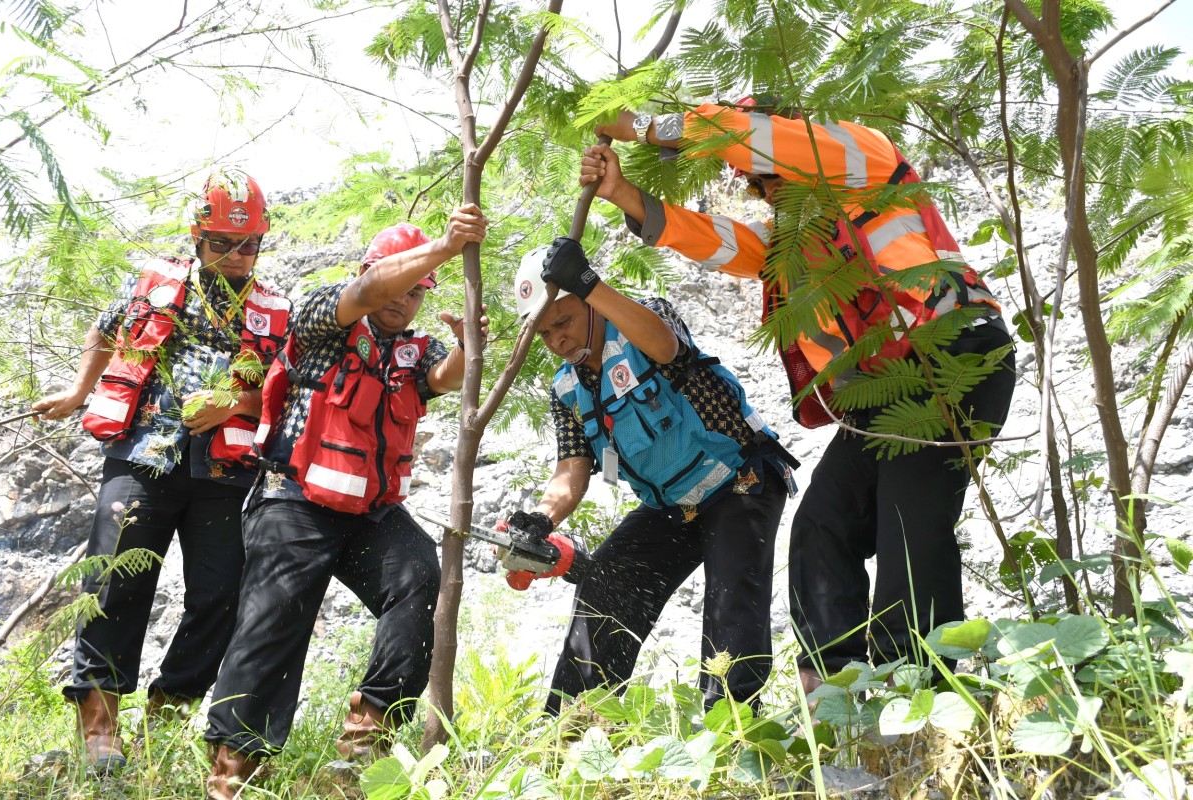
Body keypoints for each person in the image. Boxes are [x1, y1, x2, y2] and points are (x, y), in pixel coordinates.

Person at [578, 100, 1016, 693]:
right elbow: (725, 243)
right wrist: (627, 196)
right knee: (821, 525)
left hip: (951, 359)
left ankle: (923, 693)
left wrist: (639, 125)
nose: (760, 189)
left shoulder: (856, 152)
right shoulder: (797, 240)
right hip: (886, 394)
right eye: (757, 184)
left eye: (763, 174)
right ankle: (831, 694)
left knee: (909, 521)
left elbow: (734, 132)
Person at [202, 209, 488, 799]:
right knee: (277, 615)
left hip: (370, 512)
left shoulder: (414, 348)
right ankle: (233, 770)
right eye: (399, 285)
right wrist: (444, 245)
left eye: (417, 295)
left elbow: (444, 378)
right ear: (371, 270)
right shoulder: (324, 314)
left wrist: (467, 344)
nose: (404, 301)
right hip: (293, 496)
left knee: (417, 577)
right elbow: (366, 291)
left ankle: (367, 736)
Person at [30, 170, 290, 771]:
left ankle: (167, 709)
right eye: (222, 242)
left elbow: (285, 391)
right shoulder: (151, 280)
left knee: (220, 594)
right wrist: (77, 392)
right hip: (142, 454)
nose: (234, 255)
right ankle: (100, 725)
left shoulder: (277, 309)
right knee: (114, 577)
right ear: (197, 236)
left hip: (224, 471)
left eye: (247, 244)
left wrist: (236, 403)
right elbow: (105, 328)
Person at [508, 238, 796, 716]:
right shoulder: (566, 390)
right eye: (544, 332)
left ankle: (734, 725)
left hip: (739, 478)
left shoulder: (644, 319)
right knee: (606, 583)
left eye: (563, 321)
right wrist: (540, 519)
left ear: (591, 303)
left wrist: (590, 283)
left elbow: (666, 348)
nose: (557, 339)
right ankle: (570, 726)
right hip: (671, 506)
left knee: (731, 601)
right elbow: (571, 471)